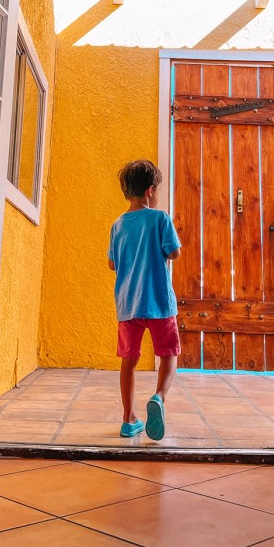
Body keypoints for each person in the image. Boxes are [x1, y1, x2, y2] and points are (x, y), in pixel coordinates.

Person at [107, 160, 182, 440]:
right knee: (168, 354)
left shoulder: (118, 225)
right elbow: (173, 253)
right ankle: (159, 397)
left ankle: (129, 419)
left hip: (128, 305)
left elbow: (112, 264)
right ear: (150, 191)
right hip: (160, 304)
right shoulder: (160, 218)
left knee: (129, 359)